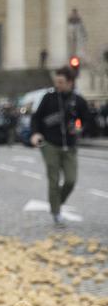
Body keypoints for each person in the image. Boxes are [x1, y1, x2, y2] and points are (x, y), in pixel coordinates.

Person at [29, 66, 94, 226]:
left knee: (71, 180)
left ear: (70, 82)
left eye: (61, 82)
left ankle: (57, 203)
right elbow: (36, 118)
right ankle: (56, 212)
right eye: (56, 81)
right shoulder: (48, 98)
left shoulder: (77, 100)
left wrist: (80, 128)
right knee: (54, 179)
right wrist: (35, 133)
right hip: (50, 144)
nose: (57, 85)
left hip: (70, 146)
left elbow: (87, 119)